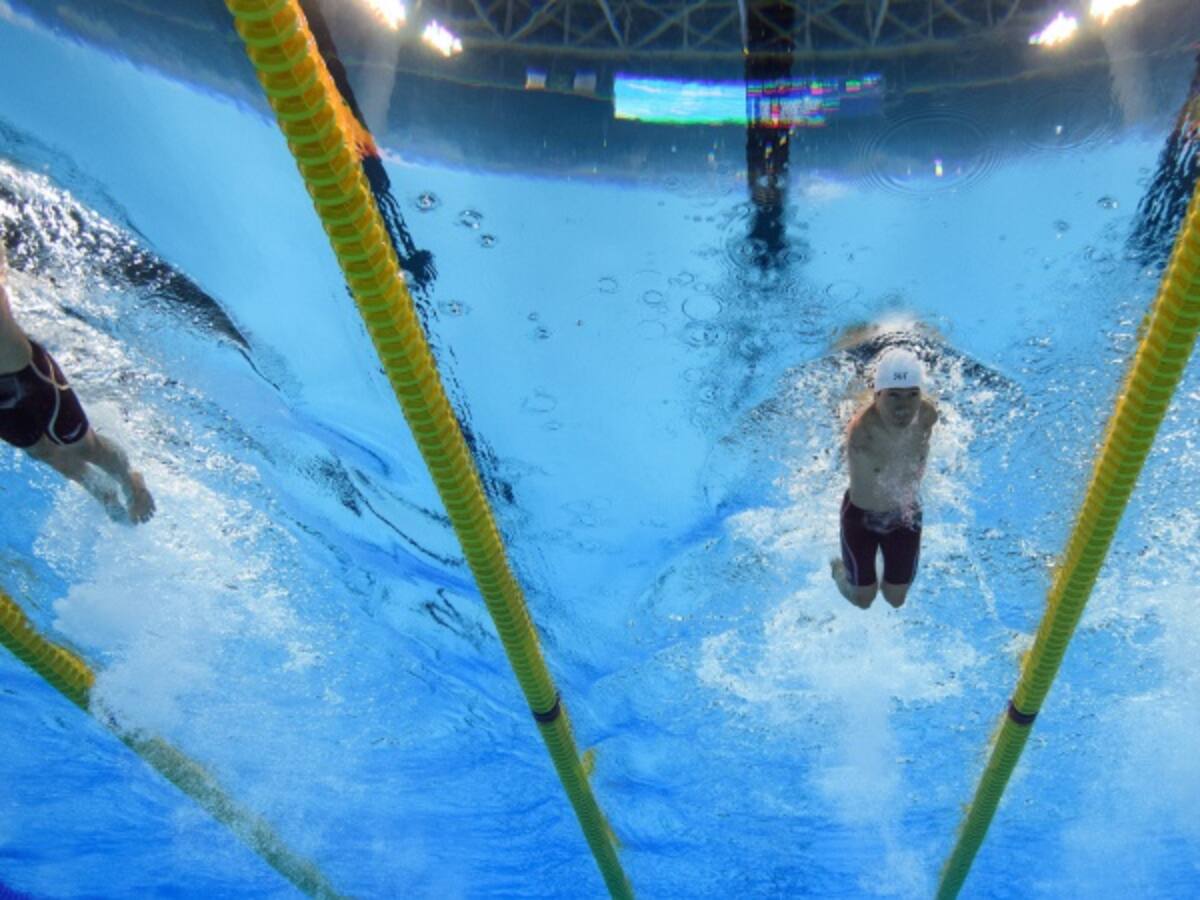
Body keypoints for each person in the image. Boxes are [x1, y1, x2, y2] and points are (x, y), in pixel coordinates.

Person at [0, 240, 155, 524]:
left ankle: (129, 479)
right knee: (44, 454)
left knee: (83, 447)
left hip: (28, 378)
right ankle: (102, 493)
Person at [831, 347, 937, 609]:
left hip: (905, 516)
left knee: (896, 600)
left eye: (912, 394)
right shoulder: (862, 432)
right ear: (877, 396)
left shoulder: (927, 415)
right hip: (861, 521)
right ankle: (837, 571)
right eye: (893, 396)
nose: (904, 406)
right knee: (864, 599)